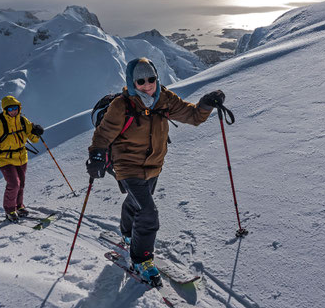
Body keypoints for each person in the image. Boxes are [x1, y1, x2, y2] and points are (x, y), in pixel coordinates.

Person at [86, 57, 225, 287]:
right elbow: (103, 134)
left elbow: (192, 116)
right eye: (140, 80)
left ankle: (128, 233)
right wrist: (98, 155)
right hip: (127, 165)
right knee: (148, 213)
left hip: (154, 165)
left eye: (151, 78)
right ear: (132, 82)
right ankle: (141, 260)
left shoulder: (164, 98)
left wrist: (207, 104)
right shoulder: (122, 105)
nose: (147, 84)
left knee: (136, 203)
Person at [0, 95, 44, 223]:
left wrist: (37, 132)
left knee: (21, 183)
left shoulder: (23, 120)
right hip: (5, 159)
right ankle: (10, 210)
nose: (13, 111)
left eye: (15, 108)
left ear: (19, 108)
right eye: (10, 109)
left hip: (21, 157)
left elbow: (32, 138)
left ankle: (19, 206)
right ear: (5, 110)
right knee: (14, 184)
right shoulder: (0, 123)